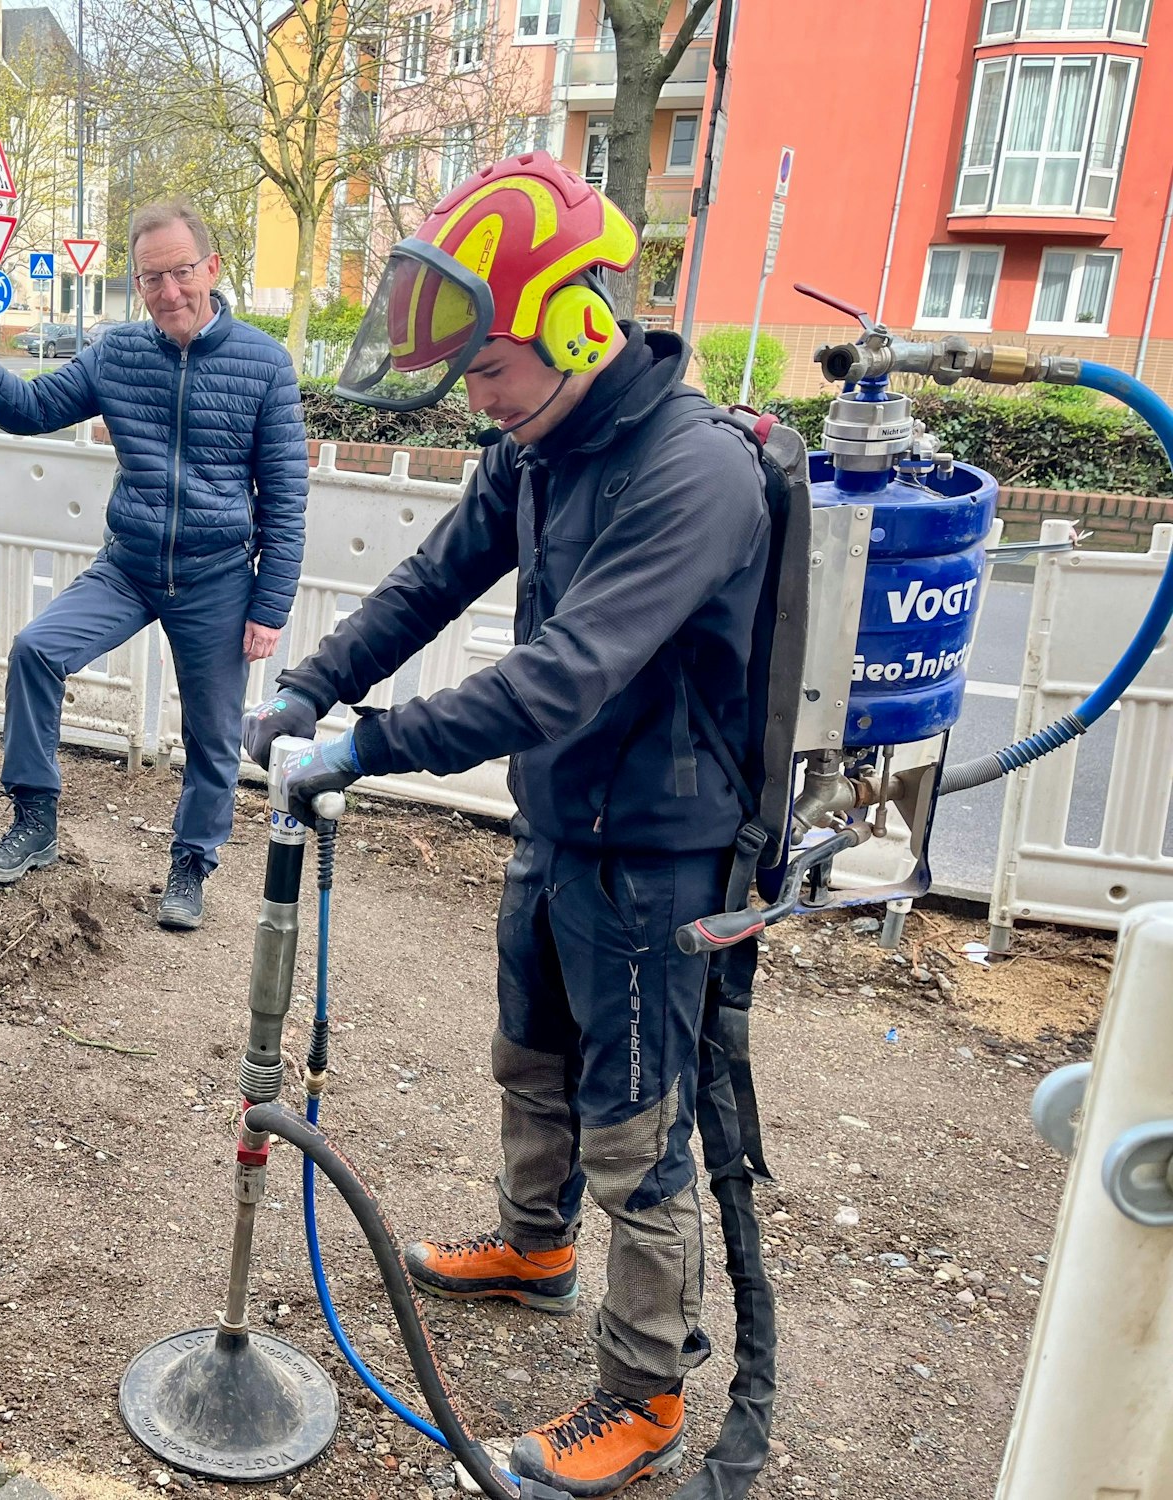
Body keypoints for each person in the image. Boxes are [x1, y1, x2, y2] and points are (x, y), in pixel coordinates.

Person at [245, 152, 772, 1497]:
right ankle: (533, 1247)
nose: (476, 397)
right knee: (527, 1052)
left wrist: (370, 744)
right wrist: (313, 681)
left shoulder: (694, 475)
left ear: (582, 330)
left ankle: (644, 1393)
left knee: (636, 1126)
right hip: (560, 824)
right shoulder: (538, 446)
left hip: (662, 852)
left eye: (488, 368)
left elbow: (564, 673)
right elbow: (431, 582)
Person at [0, 201, 307, 930]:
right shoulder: (118, 352)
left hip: (217, 576)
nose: (168, 292)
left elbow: (287, 499)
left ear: (212, 268)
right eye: (150, 279)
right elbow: (27, 407)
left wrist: (269, 607)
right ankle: (34, 822)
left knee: (211, 732)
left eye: (179, 272)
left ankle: (190, 866)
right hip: (131, 564)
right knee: (36, 650)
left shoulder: (264, 364)